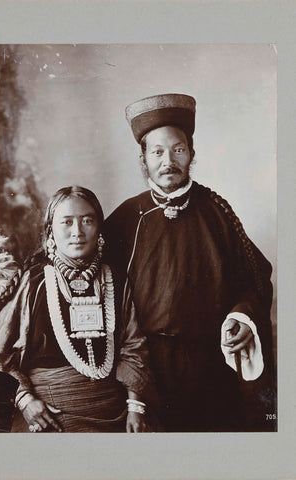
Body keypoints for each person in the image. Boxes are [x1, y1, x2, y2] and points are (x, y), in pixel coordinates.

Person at [103, 93, 276, 432]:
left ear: (192, 154)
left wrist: (242, 315)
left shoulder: (217, 212)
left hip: (209, 369)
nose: (168, 161)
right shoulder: (127, 217)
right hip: (145, 369)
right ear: (143, 159)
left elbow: (254, 280)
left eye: (178, 149)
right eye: (157, 152)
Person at [0, 186, 154, 433]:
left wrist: (135, 405)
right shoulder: (34, 282)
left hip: (115, 412)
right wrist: (25, 400)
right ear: (51, 231)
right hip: (51, 414)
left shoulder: (116, 280)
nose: (77, 232)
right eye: (66, 222)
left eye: (87, 221)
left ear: (99, 229)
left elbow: (133, 346)